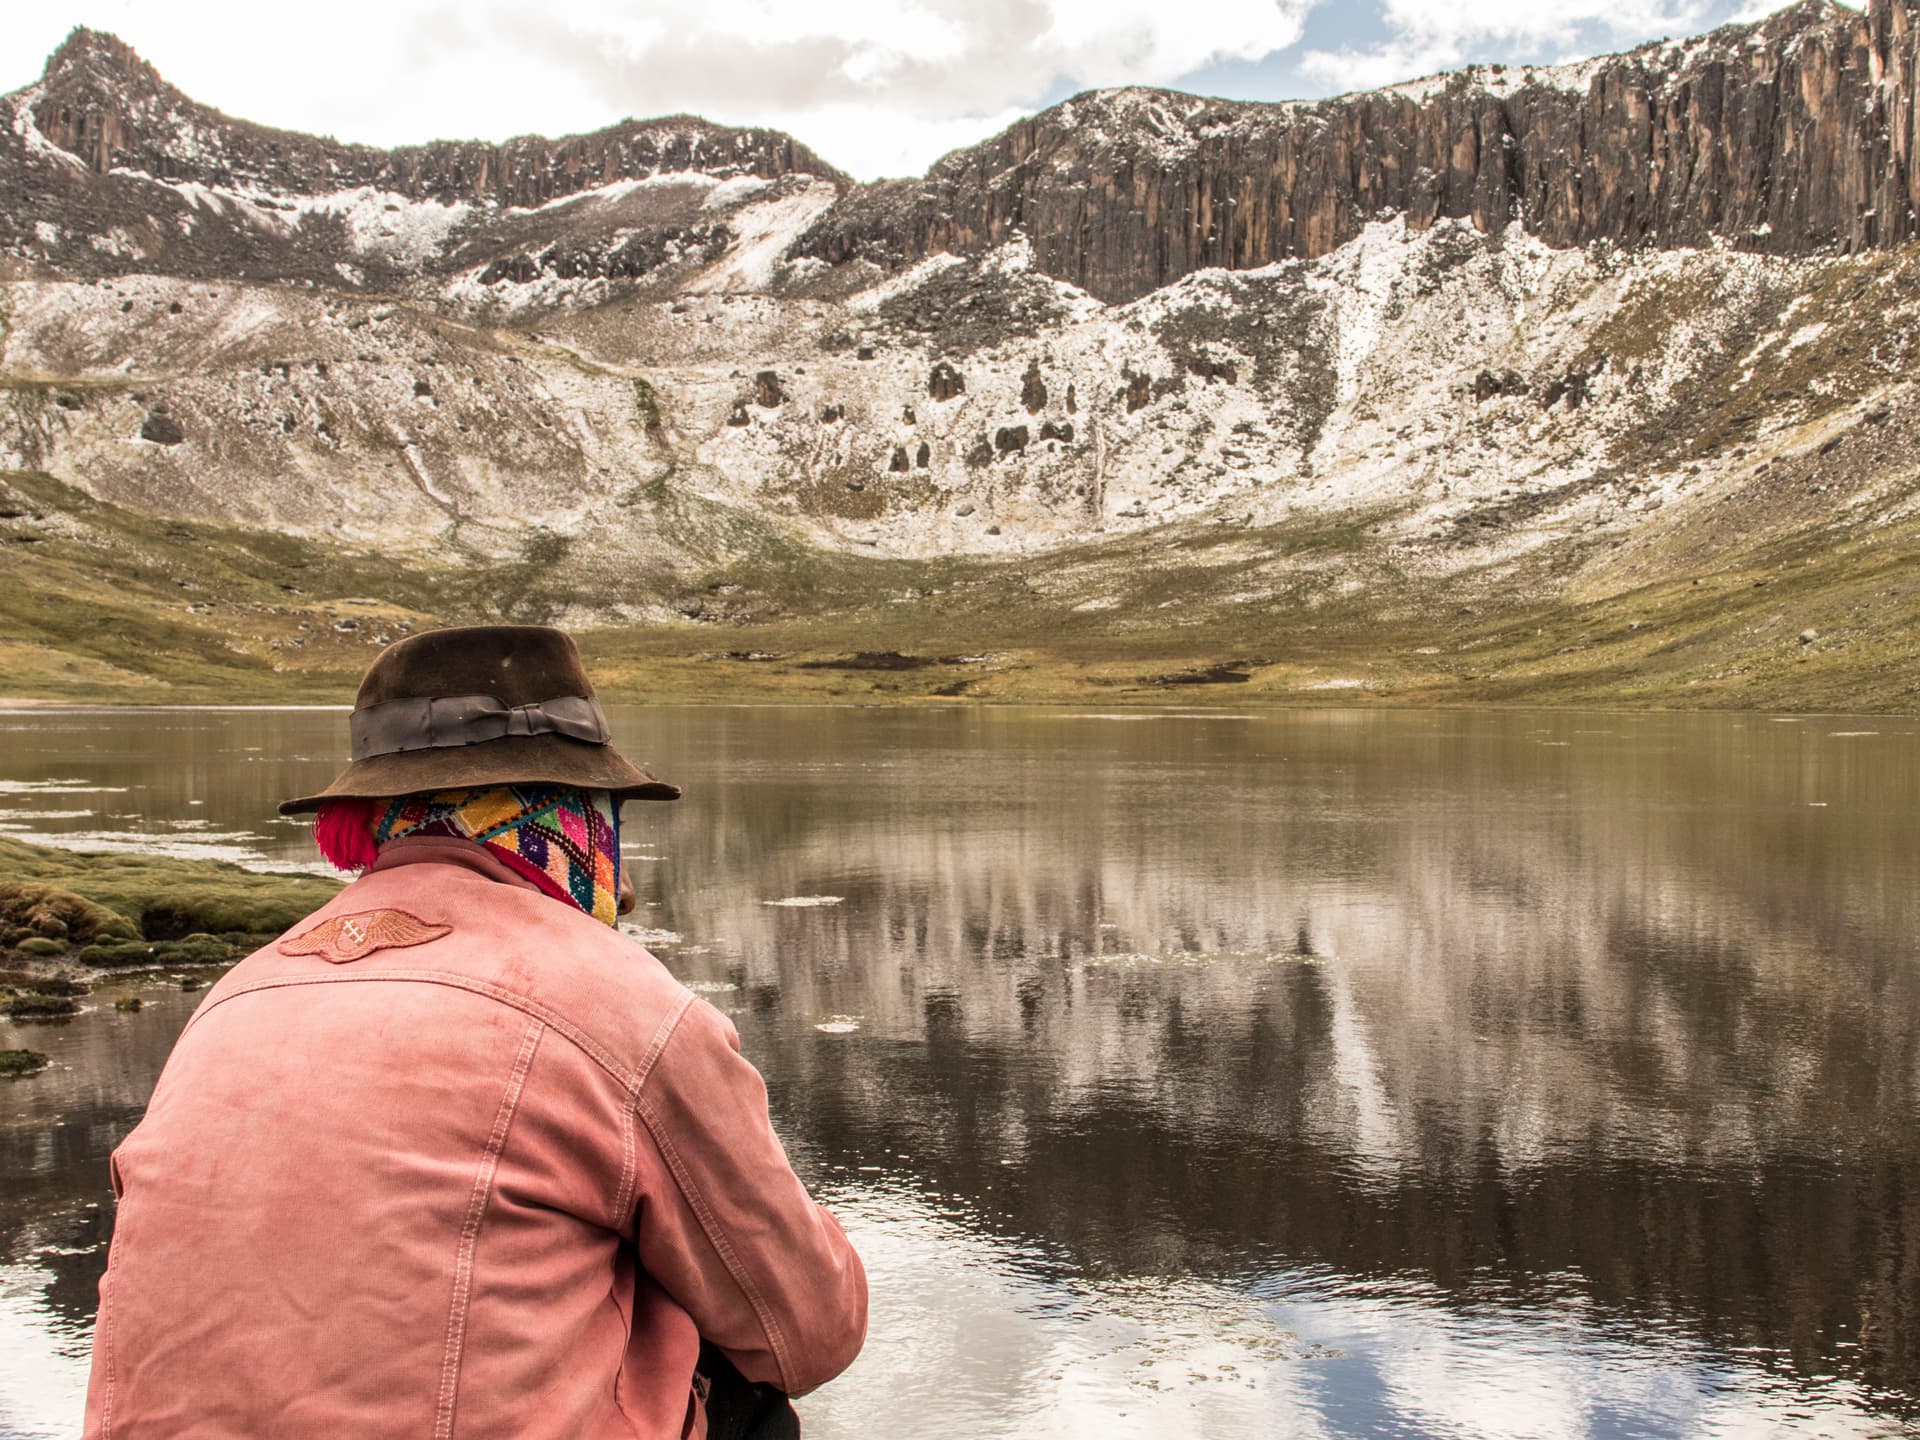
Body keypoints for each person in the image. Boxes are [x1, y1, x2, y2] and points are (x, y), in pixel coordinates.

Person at [82, 625, 867, 1439]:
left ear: (375, 820)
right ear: (579, 816)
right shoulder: (623, 1004)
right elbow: (810, 1334)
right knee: (747, 1393)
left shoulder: (238, 992)